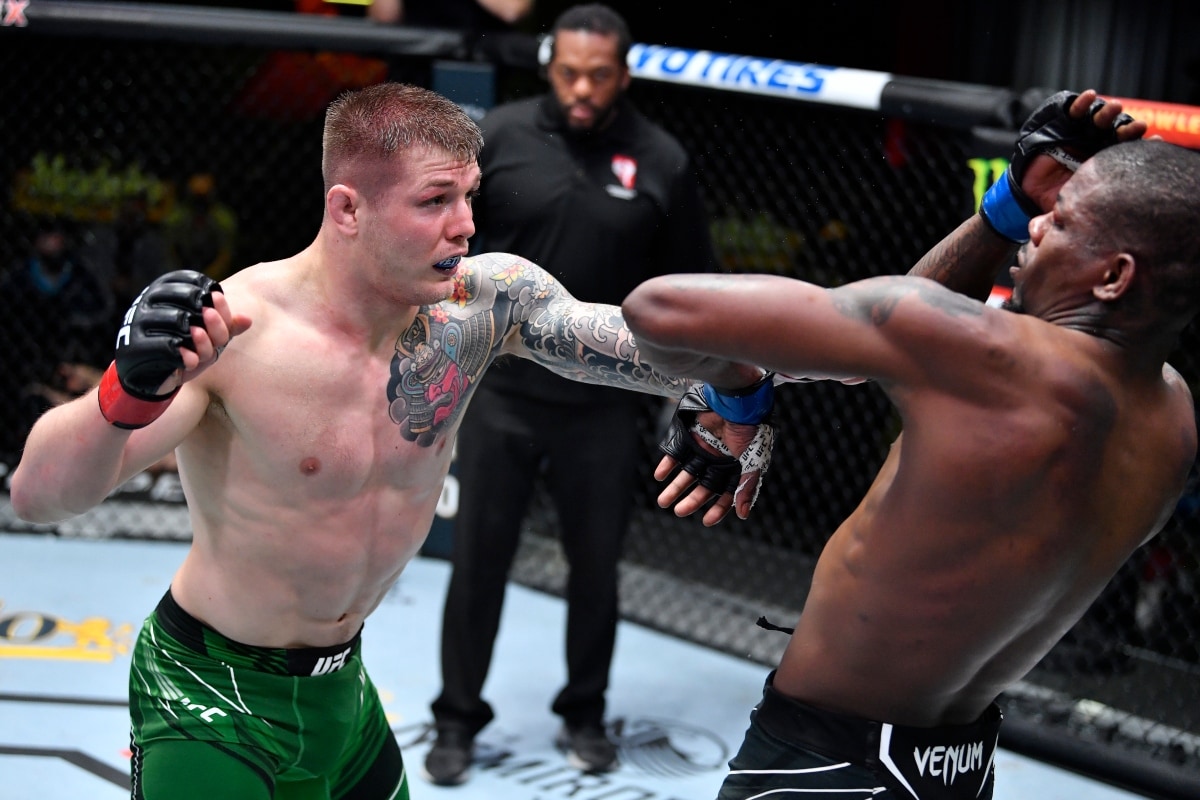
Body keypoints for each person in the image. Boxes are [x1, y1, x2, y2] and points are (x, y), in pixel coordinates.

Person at [8, 82, 772, 800]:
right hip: (212, 694)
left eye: (469, 196)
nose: (464, 224)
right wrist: (125, 393)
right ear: (347, 209)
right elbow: (39, 496)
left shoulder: (481, 306)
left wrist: (748, 383)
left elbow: (639, 342)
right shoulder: (239, 332)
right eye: (434, 200)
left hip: (342, 692)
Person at [622, 90, 1199, 799]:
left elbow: (659, 309)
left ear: (1113, 276)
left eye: (1062, 220)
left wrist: (739, 397)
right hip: (956, 770)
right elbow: (930, 336)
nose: (1037, 226)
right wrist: (1012, 211)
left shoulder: (978, 356)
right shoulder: (1174, 417)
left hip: (827, 768)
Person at [423, 2, 720, 785]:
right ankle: (455, 717)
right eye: (569, 73)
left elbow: (691, 287)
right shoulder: (500, 137)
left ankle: (585, 714)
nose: (582, 89)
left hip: (604, 406)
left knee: (596, 568)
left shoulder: (661, 160)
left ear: (623, 75)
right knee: (478, 561)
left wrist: (694, 393)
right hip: (502, 394)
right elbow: (446, 246)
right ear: (549, 66)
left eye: (599, 75)